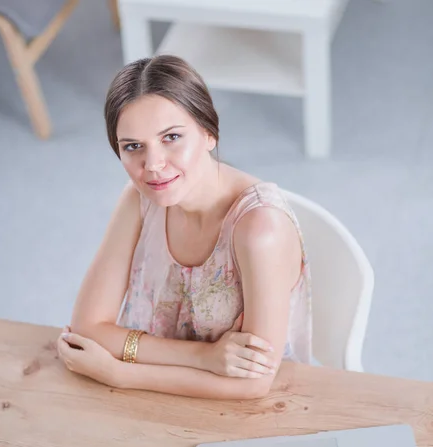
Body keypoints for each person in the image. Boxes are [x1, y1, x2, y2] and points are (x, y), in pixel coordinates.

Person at [57, 55, 311, 400]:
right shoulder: (138, 201)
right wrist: (205, 357)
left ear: (209, 132)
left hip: (250, 411)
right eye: (133, 146)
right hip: (164, 394)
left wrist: (120, 373)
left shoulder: (259, 229)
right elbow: (88, 328)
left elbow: (253, 382)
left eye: (172, 137)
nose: (154, 165)